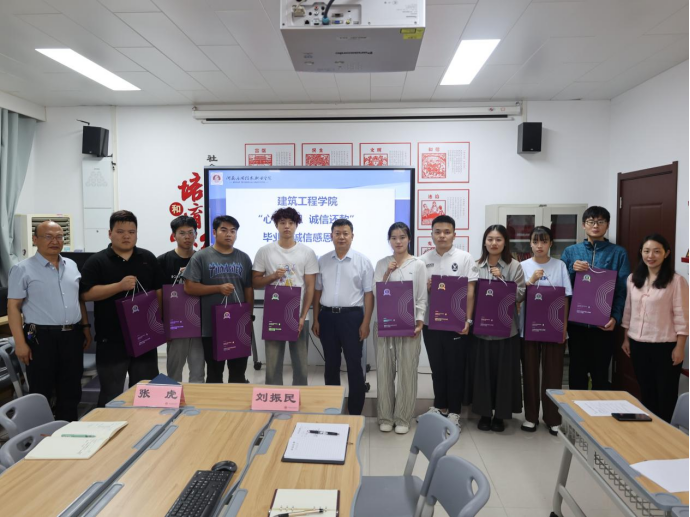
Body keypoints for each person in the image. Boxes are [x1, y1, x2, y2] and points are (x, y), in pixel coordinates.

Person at [7, 221, 91, 421]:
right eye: (48, 236)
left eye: (59, 236)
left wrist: (85, 327)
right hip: (41, 338)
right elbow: (13, 307)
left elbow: (78, 299)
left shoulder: (71, 265)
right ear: (35, 239)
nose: (55, 241)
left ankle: (67, 429)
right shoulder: (22, 269)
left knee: (71, 389)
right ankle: (40, 434)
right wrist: (20, 343)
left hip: (72, 335)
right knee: (41, 390)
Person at [80, 211, 163, 407]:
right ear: (110, 233)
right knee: (111, 394)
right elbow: (85, 295)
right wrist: (119, 286)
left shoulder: (147, 258)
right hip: (111, 339)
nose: (126, 236)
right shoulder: (97, 261)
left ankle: (142, 426)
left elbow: (159, 291)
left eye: (131, 232)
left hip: (145, 337)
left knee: (146, 392)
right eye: (120, 231)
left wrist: (159, 323)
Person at [561, 206, 630, 390]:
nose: (595, 226)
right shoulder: (571, 252)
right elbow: (562, 287)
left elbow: (622, 290)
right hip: (577, 324)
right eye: (591, 221)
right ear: (583, 225)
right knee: (577, 372)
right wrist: (572, 270)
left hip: (604, 325)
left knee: (600, 374)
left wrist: (615, 317)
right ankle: (576, 409)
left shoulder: (618, 253)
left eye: (600, 222)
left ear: (607, 225)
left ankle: (598, 408)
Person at [418, 215, 477, 431]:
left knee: (455, 368)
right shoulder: (423, 260)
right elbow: (418, 293)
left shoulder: (465, 258)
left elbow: (470, 292)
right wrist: (426, 287)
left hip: (456, 323)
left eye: (446, 232)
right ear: (432, 234)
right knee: (437, 367)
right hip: (430, 323)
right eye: (438, 231)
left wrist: (468, 320)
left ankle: (454, 412)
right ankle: (440, 406)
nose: (442, 235)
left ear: (454, 234)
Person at [622, 234, 688, 422]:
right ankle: (650, 431)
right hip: (638, 344)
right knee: (647, 390)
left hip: (665, 346)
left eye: (657, 251)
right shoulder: (633, 279)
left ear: (666, 253)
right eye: (647, 251)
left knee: (666, 394)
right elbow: (628, 310)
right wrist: (626, 338)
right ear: (641, 253)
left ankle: (667, 433)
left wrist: (680, 347)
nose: (651, 256)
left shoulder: (676, 281)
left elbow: (682, 317)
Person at [312, 219, 374, 416]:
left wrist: (366, 322)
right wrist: (316, 319)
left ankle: (354, 411)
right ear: (331, 236)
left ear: (352, 236)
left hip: (352, 318)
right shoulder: (322, 260)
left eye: (345, 233)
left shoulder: (363, 261)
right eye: (337, 233)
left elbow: (369, 294)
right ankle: (333, 408)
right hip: (327, 317)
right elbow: (317, 292)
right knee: (331, 364)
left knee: (354, 365)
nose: (341, 237)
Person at [183, 215, 253, 383]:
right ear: (214, 232)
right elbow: (189, 287)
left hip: (238, 325)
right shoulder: (201, 257)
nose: (229, 234)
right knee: (214, 374)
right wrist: (218, 288)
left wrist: (248, 316)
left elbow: (248, 288)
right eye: (224, 230)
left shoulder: (244, 258)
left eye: (233, 231)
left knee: (238, 374)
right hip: (211, 326)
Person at [253, 208, 318, 386]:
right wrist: (273, 276)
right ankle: (274, 399)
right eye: (282, 222)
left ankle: (299, 399)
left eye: (291, 223)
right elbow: (255, 282)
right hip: (273, 315)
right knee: (273, 366)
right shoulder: (265, 251)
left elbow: (310, 287)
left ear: (296, 225)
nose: (287, 226)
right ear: (276, 225)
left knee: (301, 366)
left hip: (299, 316)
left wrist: (303, 317)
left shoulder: (307, 252)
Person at [373, 222, 427, 434]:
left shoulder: (418, 264)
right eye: (394, 238)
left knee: (407, 371)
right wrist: (387, 272)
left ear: (409, 239)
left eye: (402, 237)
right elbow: (376, 293)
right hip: (385, 323)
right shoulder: (382, 263)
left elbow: (421, 296)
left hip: (408, 324)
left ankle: (403, 418)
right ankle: (385, 416)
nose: (398, 241)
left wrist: (419, 321)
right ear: (389, 240)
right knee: (384, 371)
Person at [472, 225, 525, 433]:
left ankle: (500, 416)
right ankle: (484, 414)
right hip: (482, 329)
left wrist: (503, 280)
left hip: (506, 330)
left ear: (505, 243)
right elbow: (470, 295)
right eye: (490, 239)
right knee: (483, 373)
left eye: (498, 239)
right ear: (484, 242)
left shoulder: (514, 266)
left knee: (504, 374)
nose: (494, 243)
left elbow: (520, 295)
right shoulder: (476, 266)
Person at [520, 226, 572, 436]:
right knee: (530, 373)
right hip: (528, 328)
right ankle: (531, 417)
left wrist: (563, 328)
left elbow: (565, 298)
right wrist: (531, 280)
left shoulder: (560, 265)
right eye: (535, 241)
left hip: (554, 327)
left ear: (551, 243)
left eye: (544, 241)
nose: (539, 246)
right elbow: (517, 296)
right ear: (530, 244)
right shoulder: (522, 266)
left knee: (553, 374)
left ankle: (552, 418)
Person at [157, 215, 204, 383]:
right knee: (174, 373)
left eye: (191, 232)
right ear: (174, 236)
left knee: (198, 372)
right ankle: (172, 398)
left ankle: (196, 400)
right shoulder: (163, 261)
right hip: (175, 324)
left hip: (199, 324)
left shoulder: (202, 258)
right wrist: (162, 323)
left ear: (196, 234)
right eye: (182, 233)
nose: (187, 237)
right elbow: (159, 294)